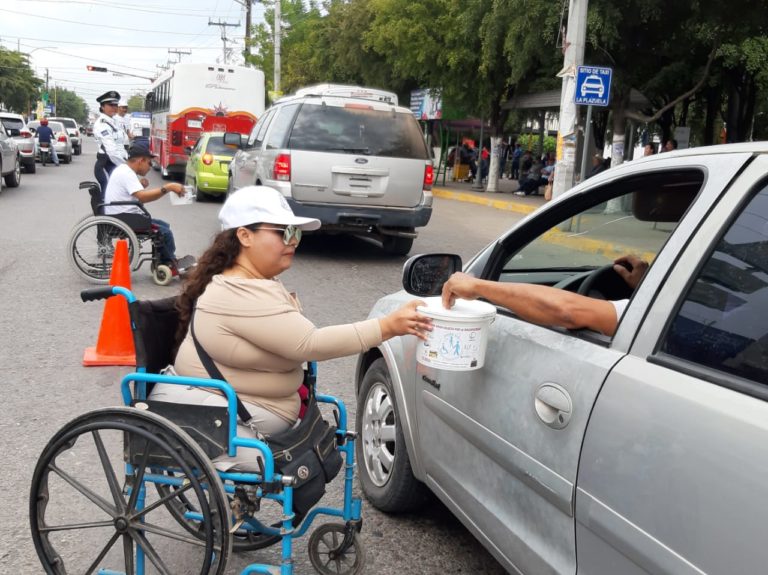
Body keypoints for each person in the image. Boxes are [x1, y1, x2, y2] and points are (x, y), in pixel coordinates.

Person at [148, 185, 433, 471]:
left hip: (250, 410)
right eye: (283, 232)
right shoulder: (237, 292)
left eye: (295, 233)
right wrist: (387, 326)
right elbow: (310, 343)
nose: (294, 241)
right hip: (229, 418)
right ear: (244, 236)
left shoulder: (254, 282)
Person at [442, 254, 649, 337]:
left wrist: (478, 286)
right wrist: (646, 286)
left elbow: (567, 311)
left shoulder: (656, 315)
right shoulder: (674, 306)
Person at [103, 143, 194, 273]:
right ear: (141, 161)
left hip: (121, 214)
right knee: (164, 232)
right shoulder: (126, 173)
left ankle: (163, 260)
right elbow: (143, 197)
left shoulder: (124, 170)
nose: (150, 167)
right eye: (149, 163)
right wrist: (167, 188)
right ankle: (169, 263)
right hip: (124, 217)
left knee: (164, 225)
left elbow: (133, 193)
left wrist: (139, 185)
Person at [93, 90, 127, 200]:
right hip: (107, 164)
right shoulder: (102, 124)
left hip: (115, 164)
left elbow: (121, 145)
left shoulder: (114, 122)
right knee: (108, 199)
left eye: (115, 105)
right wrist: (127, 167)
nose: (114, 107)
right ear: (102, 107)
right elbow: (111, 151)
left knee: (119, 197)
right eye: (110, 105)